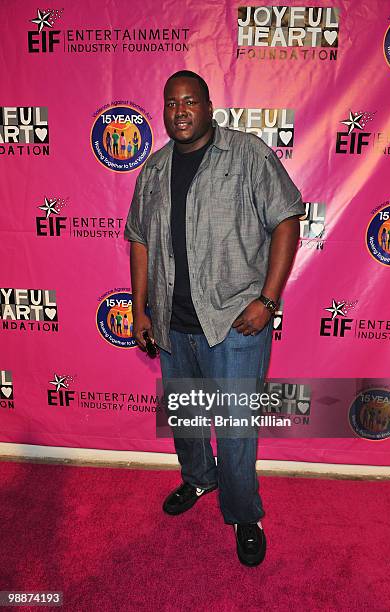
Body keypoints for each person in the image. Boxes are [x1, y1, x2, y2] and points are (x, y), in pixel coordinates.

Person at [124, 70, 305, 567]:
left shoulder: (247, 154)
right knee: (187, 417)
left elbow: (288, 216)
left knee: (235, 427)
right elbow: (139, 238)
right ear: (163, 111)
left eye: (190, 102)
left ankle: (245, 513)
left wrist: (268, 300)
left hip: (233, 323)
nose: (180, 111)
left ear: (209, 106)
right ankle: (198, 478)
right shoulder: (155, 170)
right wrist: (139, 308)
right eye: (171, 103)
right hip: (173, 324)